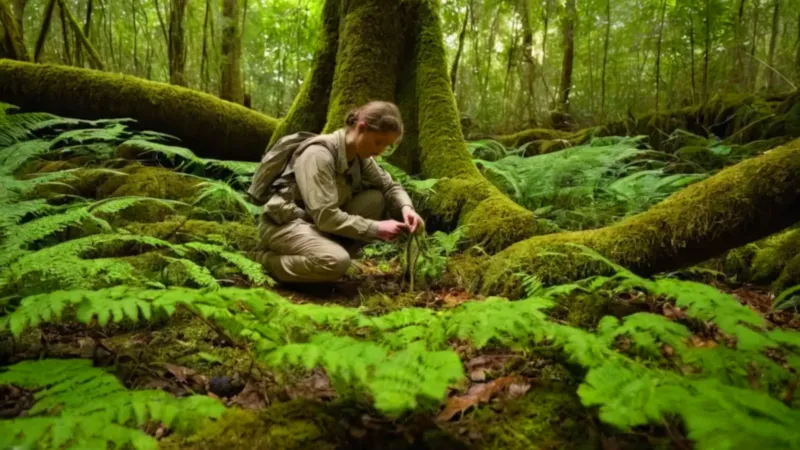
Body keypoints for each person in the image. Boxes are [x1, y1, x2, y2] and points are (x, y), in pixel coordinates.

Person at [249, 100, 424, 283]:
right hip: (286, 224)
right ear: (361, 128)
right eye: (378, 142)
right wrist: (377, 229)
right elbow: (326, 217)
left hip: (317, 223)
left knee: (376, 199)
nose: (379, 151)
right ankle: (263, 259)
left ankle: (331, 258)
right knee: (334, 261)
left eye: (385, 146)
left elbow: (390, 186)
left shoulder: (359, 156)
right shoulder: (318, 155)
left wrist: (407, 208)